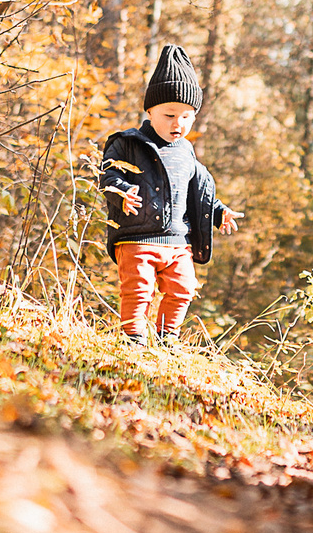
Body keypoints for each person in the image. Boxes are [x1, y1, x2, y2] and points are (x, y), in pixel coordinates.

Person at [98, 45, 240, 345]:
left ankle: (166, 338)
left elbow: (198, 192)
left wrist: (218, 212)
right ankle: (133, 338)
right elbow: (108, 174)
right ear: (149, 112)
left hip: (177, 240)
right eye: (170, 114)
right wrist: (122, 192)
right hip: (136, 237)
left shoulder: (187, 152)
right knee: (138, 288)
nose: (178, 124)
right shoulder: (128, 143)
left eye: (187, 117)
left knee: (184, 288)